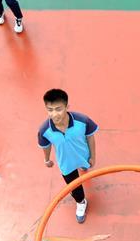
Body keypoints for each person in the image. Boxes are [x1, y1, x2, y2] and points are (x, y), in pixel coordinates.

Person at [38, 89, 98, 223]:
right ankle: (81, 202)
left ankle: (84, 166)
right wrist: (46, 159)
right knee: (74, 185)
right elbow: (46, 146)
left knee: (85, 166)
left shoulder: (82, 121)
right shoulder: (44, 130)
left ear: (67, 107)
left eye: (58, 109)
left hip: (83, 155)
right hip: (66, 163)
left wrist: (93, 156)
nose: (54, 114)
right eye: (50, 110)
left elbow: (90, 137)